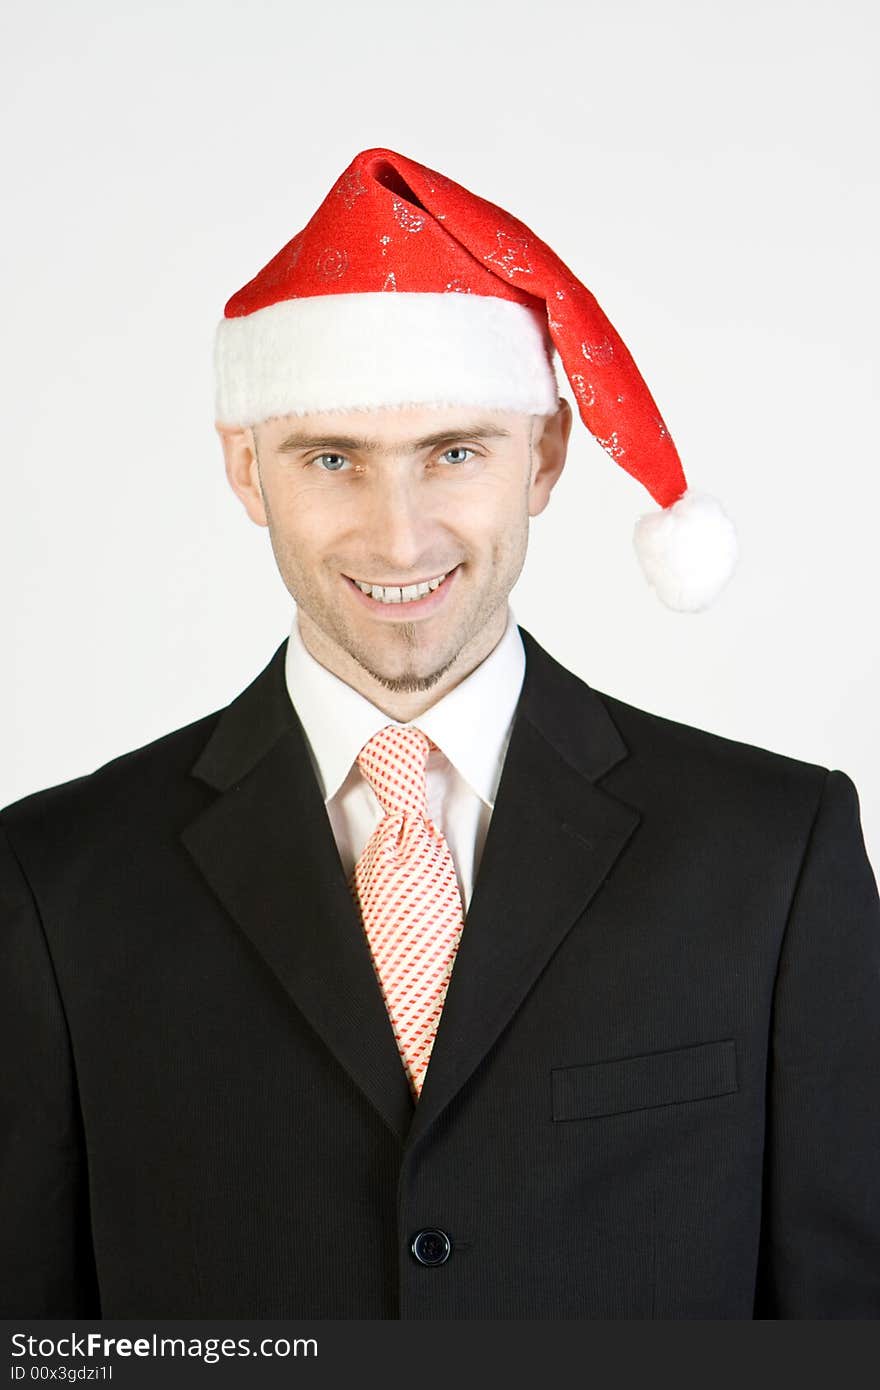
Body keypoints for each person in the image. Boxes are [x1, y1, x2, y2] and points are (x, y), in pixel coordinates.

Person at [2, 147, 878, 1321]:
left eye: (454, 453)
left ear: (547, 456)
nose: (400, 538)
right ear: (245, 468)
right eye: (331, 460)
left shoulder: (772, 855)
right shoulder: (55, 880)